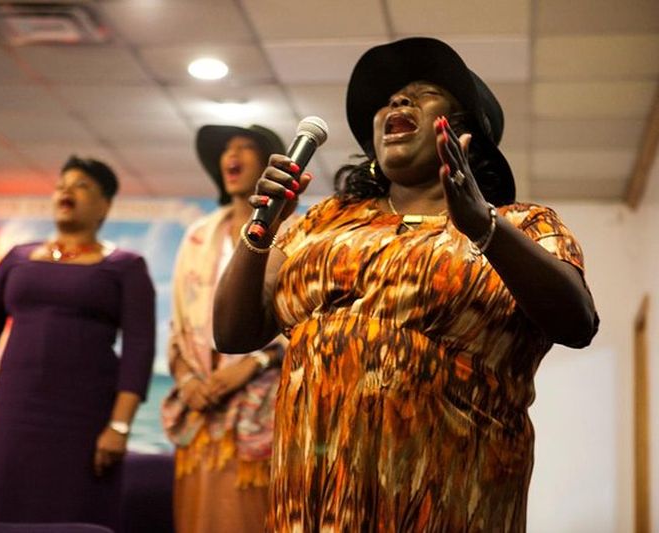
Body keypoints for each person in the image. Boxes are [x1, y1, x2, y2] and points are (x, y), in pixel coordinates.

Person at [212, 37, 599, 531]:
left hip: (449, 495)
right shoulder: (322, 222)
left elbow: (577, 322)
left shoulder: (523, 225)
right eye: (391, 98)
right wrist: (263, 227)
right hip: (313, 499)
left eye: (424, 93)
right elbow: (232, 333)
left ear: (464, 133)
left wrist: (483, 227)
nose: (397, 100)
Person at [0, 156, 156, 532]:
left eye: (81, 185)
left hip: (84, 419)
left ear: (105, 204)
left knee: (74, 515)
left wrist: (120, 426)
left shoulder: (126, 266)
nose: (66, 191)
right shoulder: (17, 258)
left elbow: (139, 351)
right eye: (61, 185)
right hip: (13, 412)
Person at [161, 125, 293, 533]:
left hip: (265, 404)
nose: (231, 156)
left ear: (270, 162)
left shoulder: (293, 232)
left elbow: (301, 323)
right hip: (201, 404)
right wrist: (187, 380)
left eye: (245, 147)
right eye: (226, 149)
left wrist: (253, 364)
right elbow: (179, 325)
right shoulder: (198, 235)